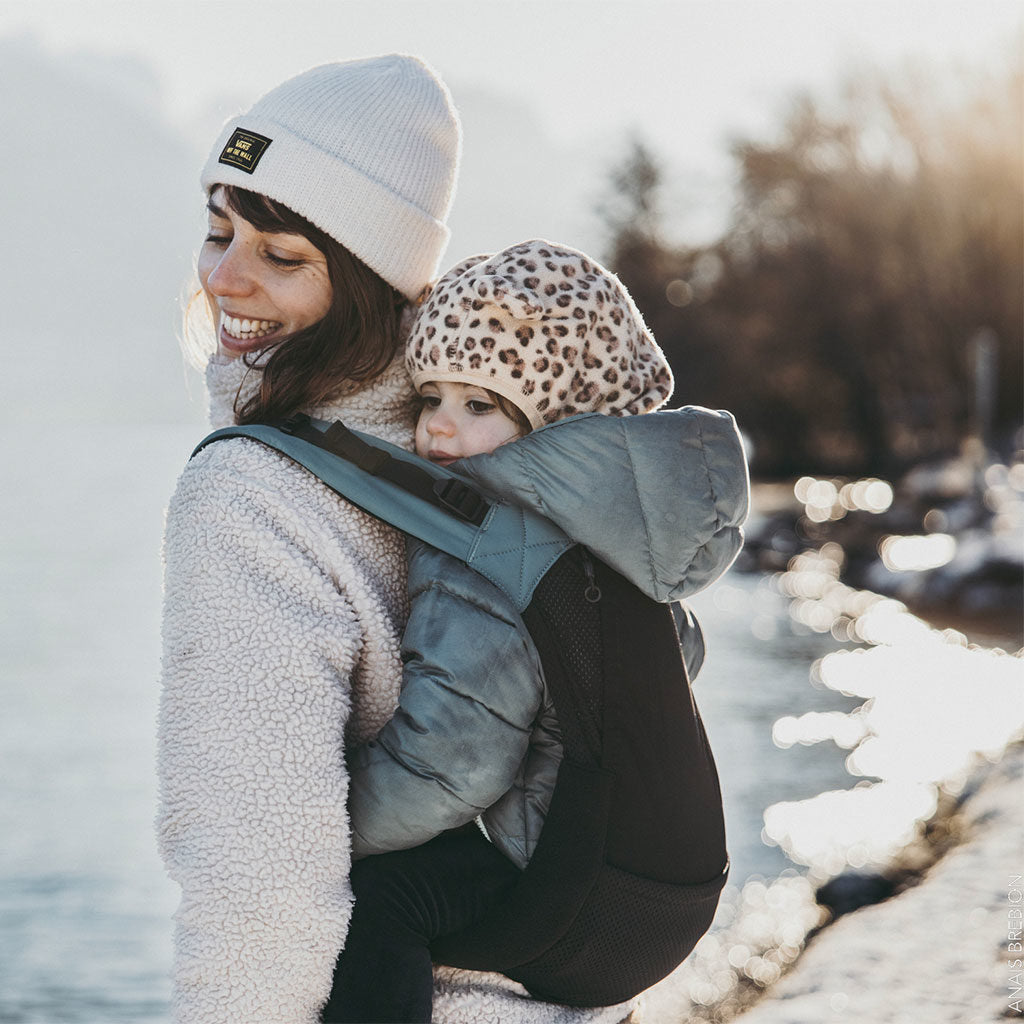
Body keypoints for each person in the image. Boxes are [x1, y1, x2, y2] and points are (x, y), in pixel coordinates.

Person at [323, 240, 748, 1022]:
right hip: (682, 895)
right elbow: (684, 650)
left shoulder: (485, 547)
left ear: (553, 422)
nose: (438, 435)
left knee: (380, 898)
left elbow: (454, 764)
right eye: (430, 400)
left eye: (479, 406)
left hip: (584, 912)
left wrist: (313, 823)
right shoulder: (622, 540)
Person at [156, 54, 463, 1024]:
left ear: (368, 281)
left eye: (280, 255)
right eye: (218, 230)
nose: (223, 276)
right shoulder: (476, 443)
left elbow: (261, 888)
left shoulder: (252, 494)